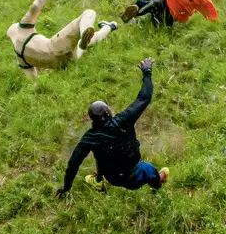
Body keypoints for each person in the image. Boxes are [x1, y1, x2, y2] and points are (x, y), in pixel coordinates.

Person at [58, 58, 169, 195]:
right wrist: (147, 71)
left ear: (91, 119)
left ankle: (98, 181)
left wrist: (66, 186)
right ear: (107, 113)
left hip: (113, 178)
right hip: (136, 176)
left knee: (101, 153)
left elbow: (73, 164)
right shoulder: (123, 120)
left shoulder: (89, 138)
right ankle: (157, 184)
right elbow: (144, 98)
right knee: (151, 170)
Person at [8, 0, 119, 76]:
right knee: (89, 13)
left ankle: (109, 27)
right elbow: (37, 4)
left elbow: (33, 79)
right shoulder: (23, 29)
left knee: (87, 42)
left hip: (66, 63)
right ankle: (85, 30)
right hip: (56, 47)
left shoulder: (20, 58)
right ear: (16, 28)